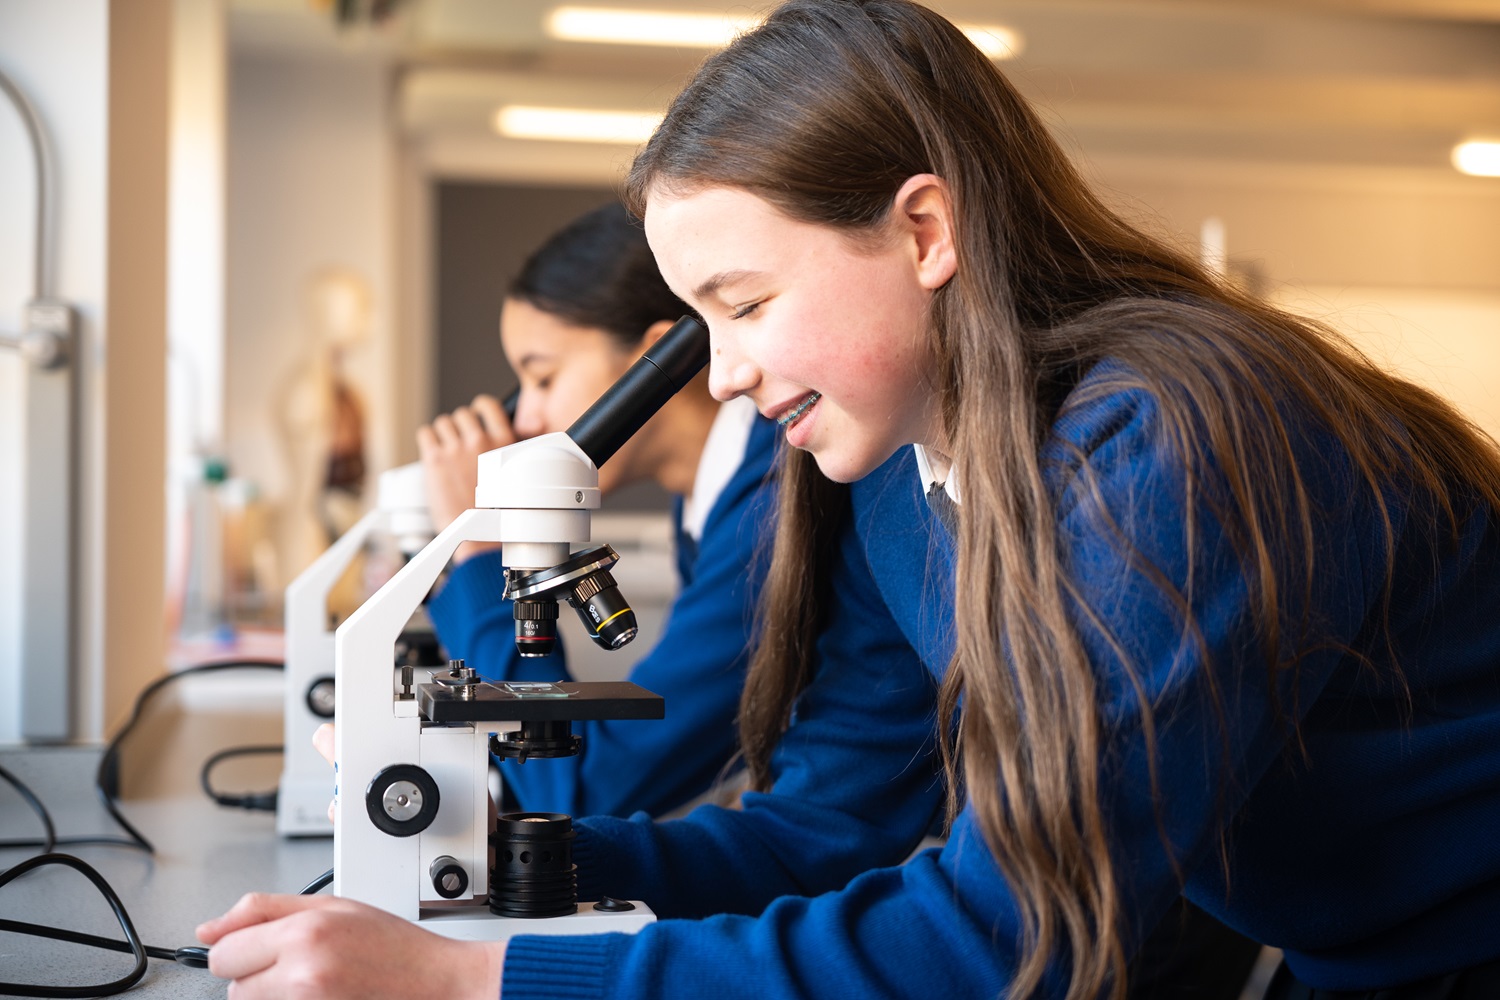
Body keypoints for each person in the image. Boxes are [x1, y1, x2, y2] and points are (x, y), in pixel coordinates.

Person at [199, 2, 1500, 999]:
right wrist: (521, 856)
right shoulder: (896, 479)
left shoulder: (1170, 442)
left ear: (927, 232)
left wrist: (478, 977)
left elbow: (1013, 926)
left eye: (747, 303)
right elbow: (830, 832)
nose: (721, 371)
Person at [415, 202, 784, 819]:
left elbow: (580, 789)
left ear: (662, 358)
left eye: (543, 377)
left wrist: (479, 549)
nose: (525, 420)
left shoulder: (772, 500)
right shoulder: (706, 499)